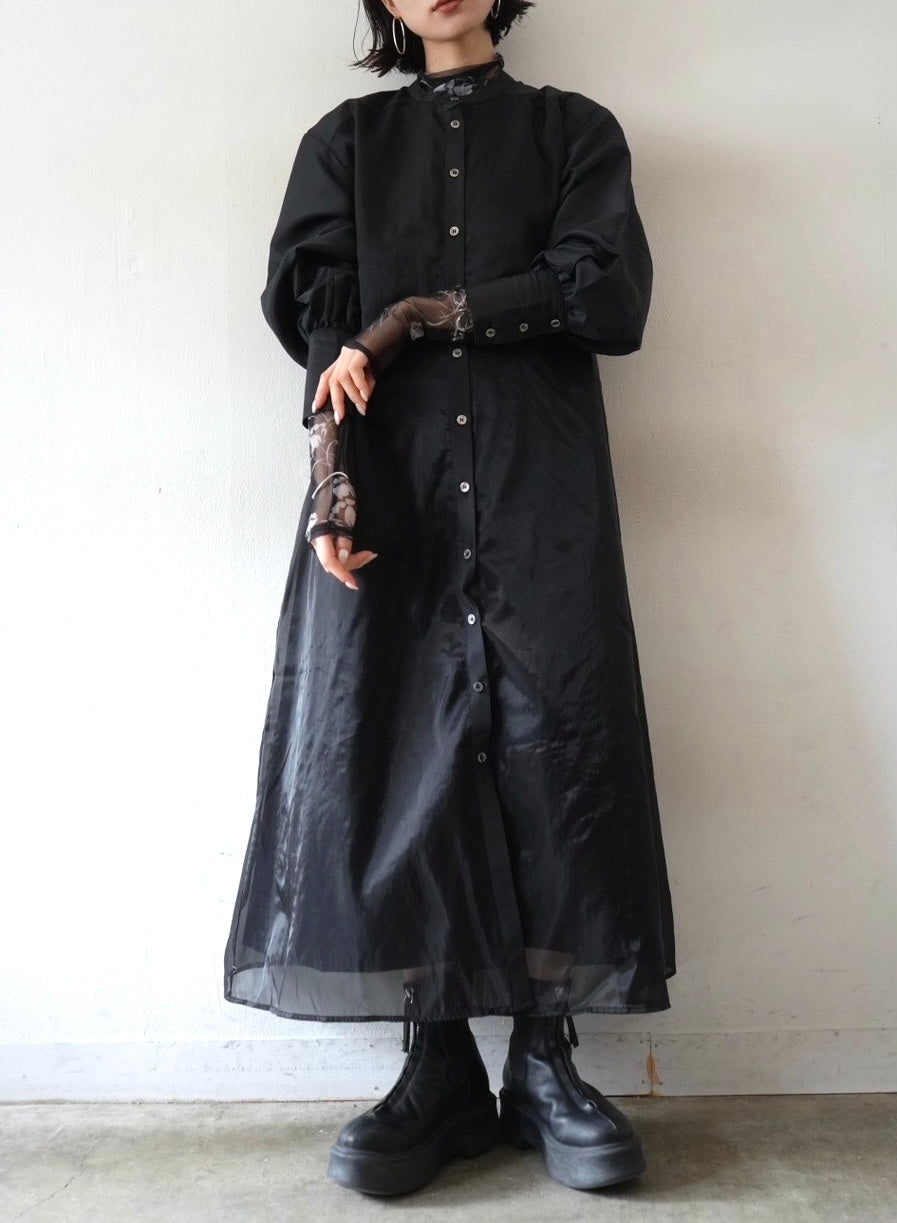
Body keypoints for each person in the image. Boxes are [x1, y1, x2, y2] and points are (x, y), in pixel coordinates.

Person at [223, 0, 677, 1198]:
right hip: (398, 493)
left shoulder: (576, 133)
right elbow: (322, 334)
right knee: (397, 751)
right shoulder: (345, 145)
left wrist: (428, 311)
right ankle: (437, 1070)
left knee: (554, 747)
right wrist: (332, 484)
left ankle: (544, 1060)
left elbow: (608, 296)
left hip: (540, 488)